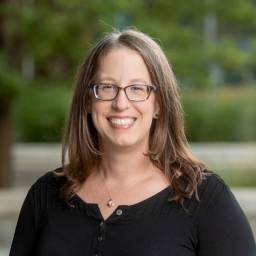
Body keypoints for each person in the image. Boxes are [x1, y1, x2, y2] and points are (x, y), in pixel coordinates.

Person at [10, 29, 256, 256]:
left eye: (137, 88)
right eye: (107, 87)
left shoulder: (206, 200)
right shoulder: (45, 196)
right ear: (87, 101)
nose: (121, 103)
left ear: (158, 104)